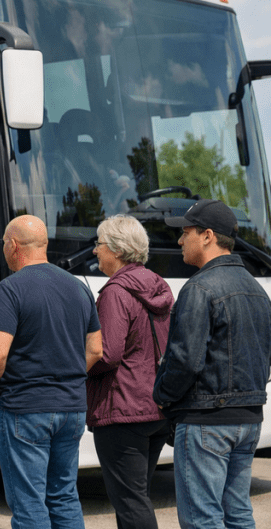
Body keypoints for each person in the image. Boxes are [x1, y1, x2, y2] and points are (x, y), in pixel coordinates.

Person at [0, 215, 103, 529]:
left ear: (12, 245)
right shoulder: (79, 288)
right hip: (72, 408)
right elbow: (96, 350)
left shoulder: (9, 289)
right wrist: (67, 374)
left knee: (29, 502)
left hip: (26, 406)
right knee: (63, 495)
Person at [154, 199, 271, 529]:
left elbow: (185, 361)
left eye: (185, 232)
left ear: (207, 236)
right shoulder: (257, 290)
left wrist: (161, 396)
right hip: (249, 419)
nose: (179, 241)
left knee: (201, 518)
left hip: (206, 420)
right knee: (238, 514)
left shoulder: (200, 288)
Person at [86, 215, 172, 529]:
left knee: (131, 502)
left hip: (122, 410)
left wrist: (73, 372)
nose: (95, 251)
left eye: (99, 243)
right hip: (156, 408)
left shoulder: (115, 292)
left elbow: (106, 354)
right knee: (138, 496)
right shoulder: (159, 287)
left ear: (118, 250)